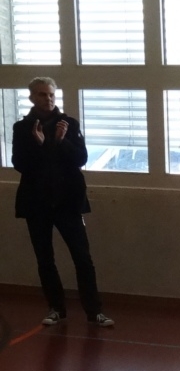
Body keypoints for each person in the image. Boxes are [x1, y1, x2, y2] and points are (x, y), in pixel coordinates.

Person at [13, 77, 114, 327]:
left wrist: (60, 141)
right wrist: (39, 144)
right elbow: (20, 164)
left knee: (82, 258)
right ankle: (56, 308)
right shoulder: (22, 128)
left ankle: (94, 311)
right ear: (31, 98)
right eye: (41, 95)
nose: (47, 99)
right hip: (37, 204)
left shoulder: (68, 124)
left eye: (50, 94)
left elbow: (81, 158)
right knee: (45, 259)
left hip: (68, 203)